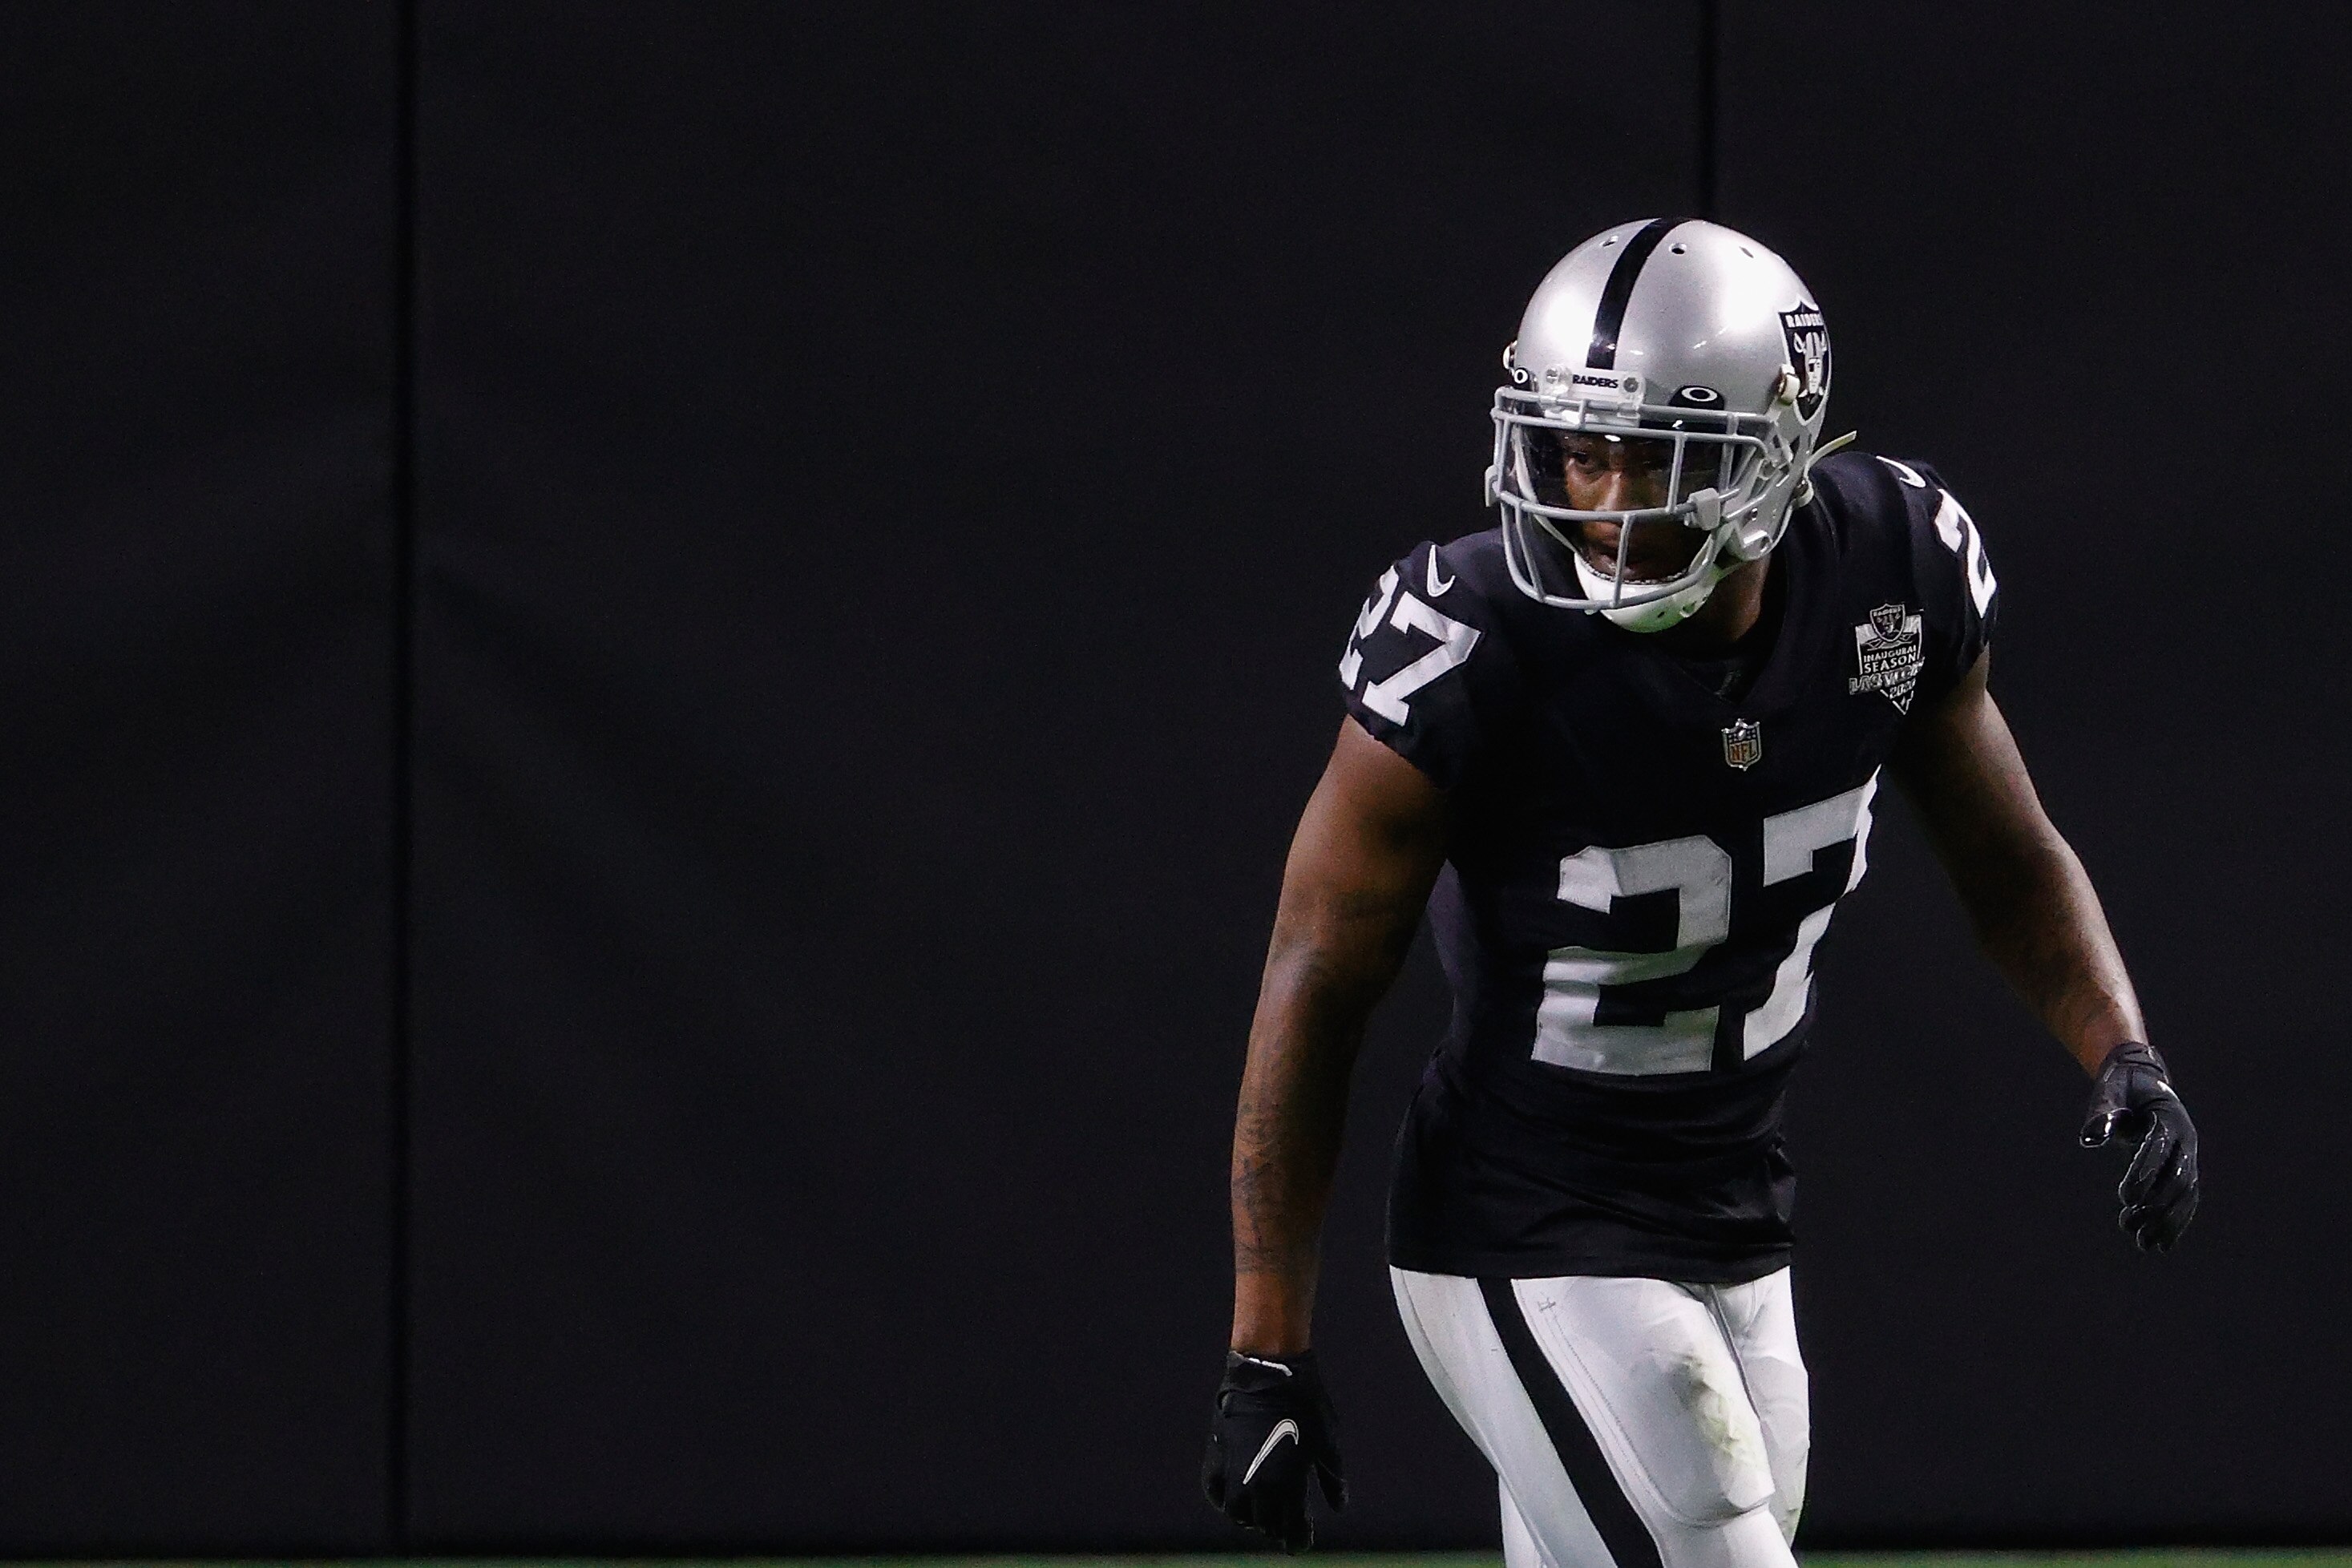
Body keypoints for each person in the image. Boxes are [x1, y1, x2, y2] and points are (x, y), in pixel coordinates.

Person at [1199, 218, 2199, 1567]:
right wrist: (1266, 1340)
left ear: (1774, 456)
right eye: (1570, 450)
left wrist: (2119, 1048)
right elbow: (1315, 976)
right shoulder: (1472, 639)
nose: (1595, 500)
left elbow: (2009, 860)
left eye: (1645, 459)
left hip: (1735, 1208)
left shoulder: (1888, 572)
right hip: (1520, 1220)